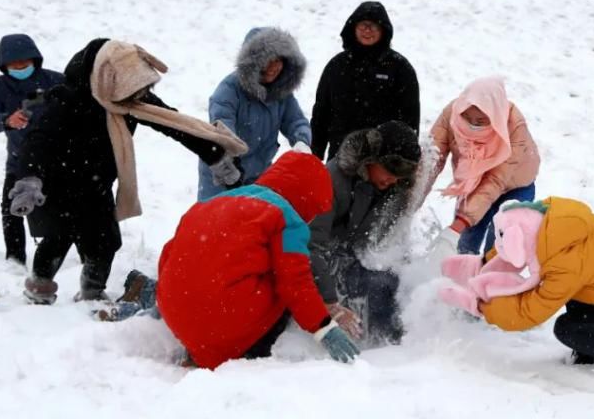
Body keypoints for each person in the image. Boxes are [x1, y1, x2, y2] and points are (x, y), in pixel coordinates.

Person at [10, 39, 248, 305]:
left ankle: (91, 295)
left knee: (105, 243)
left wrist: (214, 154)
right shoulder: (66, 99)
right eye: (132, 93)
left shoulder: (131, 97)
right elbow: (37, 141)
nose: (138, 99)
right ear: (107, 80)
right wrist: (29, 180)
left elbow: (173, 123)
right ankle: (38, 292)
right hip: (56, 186)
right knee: (58, 237)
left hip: (95, 187)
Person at [154, 152, 360, 369]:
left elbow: (168, 256)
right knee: (282, 280)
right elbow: (295, 283)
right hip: (225, 321)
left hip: (177, 314)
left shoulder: (210, 203)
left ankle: (199, 347)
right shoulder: (286, 217)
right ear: (306, 199)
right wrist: (324, 328)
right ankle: (250, 355)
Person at [439, 198, 594, 374]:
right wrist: (484, 264)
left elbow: (527, 313)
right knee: (573, 297)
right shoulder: (551, 220)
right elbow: (512, 238)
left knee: (568, 330)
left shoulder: (566, 265)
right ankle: (593, 343)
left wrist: (483, 306)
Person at [309, 121, 422, 346]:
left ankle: (389, 347)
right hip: (324, 260)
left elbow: (390, 243)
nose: (393, 180)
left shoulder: (396, 188)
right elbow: (312, 245)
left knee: (386, 279)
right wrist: (330, 302)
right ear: (371, 159)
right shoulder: (333, 179)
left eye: (399, 176)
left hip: (357, 257)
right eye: (390, 171)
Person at [0, 34, 65, 267]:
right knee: (11, 211)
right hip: (19, 164)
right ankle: (15, 260)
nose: (21, 68)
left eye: (25, 63)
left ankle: (67, 260)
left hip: (58, 163)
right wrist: (6, 120)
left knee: (64, 213)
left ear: (35, 59)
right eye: (15, 65)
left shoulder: (55, 80)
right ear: (5, 66)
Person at [427, 77, 540, 255]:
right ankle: (461, 270)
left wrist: (461, 221)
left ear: (495, 116)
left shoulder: (513, 126)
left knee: (500, 240)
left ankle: (489, 274)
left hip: (515, 185)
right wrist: (410, 198)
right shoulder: (452, 114)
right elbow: (431, 158)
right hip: (474, 181)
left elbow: (496, 180)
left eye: (480, 121)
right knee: (467, 237)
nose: (472, 125)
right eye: (467, 118)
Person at [197, 26, 312, 200]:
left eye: (278, 60)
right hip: (222, 173)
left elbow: (296, 121)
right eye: (268, 60)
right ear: (253, 63)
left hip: (259, 175)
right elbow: (222, 129)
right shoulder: (228, 90)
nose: (274, 67)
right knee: (217, 222)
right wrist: (231, 162)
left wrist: (302, 141)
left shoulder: (281, 94)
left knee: (252, 224)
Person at [310, 1, 420, 161]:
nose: (368, 31)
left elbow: (410, 120)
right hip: (340, 158)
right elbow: (321, 115)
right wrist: (314, 156)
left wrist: (405, 161)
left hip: (383, 163)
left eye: (374, 26)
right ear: (353, 28)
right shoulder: (336, 66)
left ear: (383, 30)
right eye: (363, 25)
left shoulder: (400, 68)